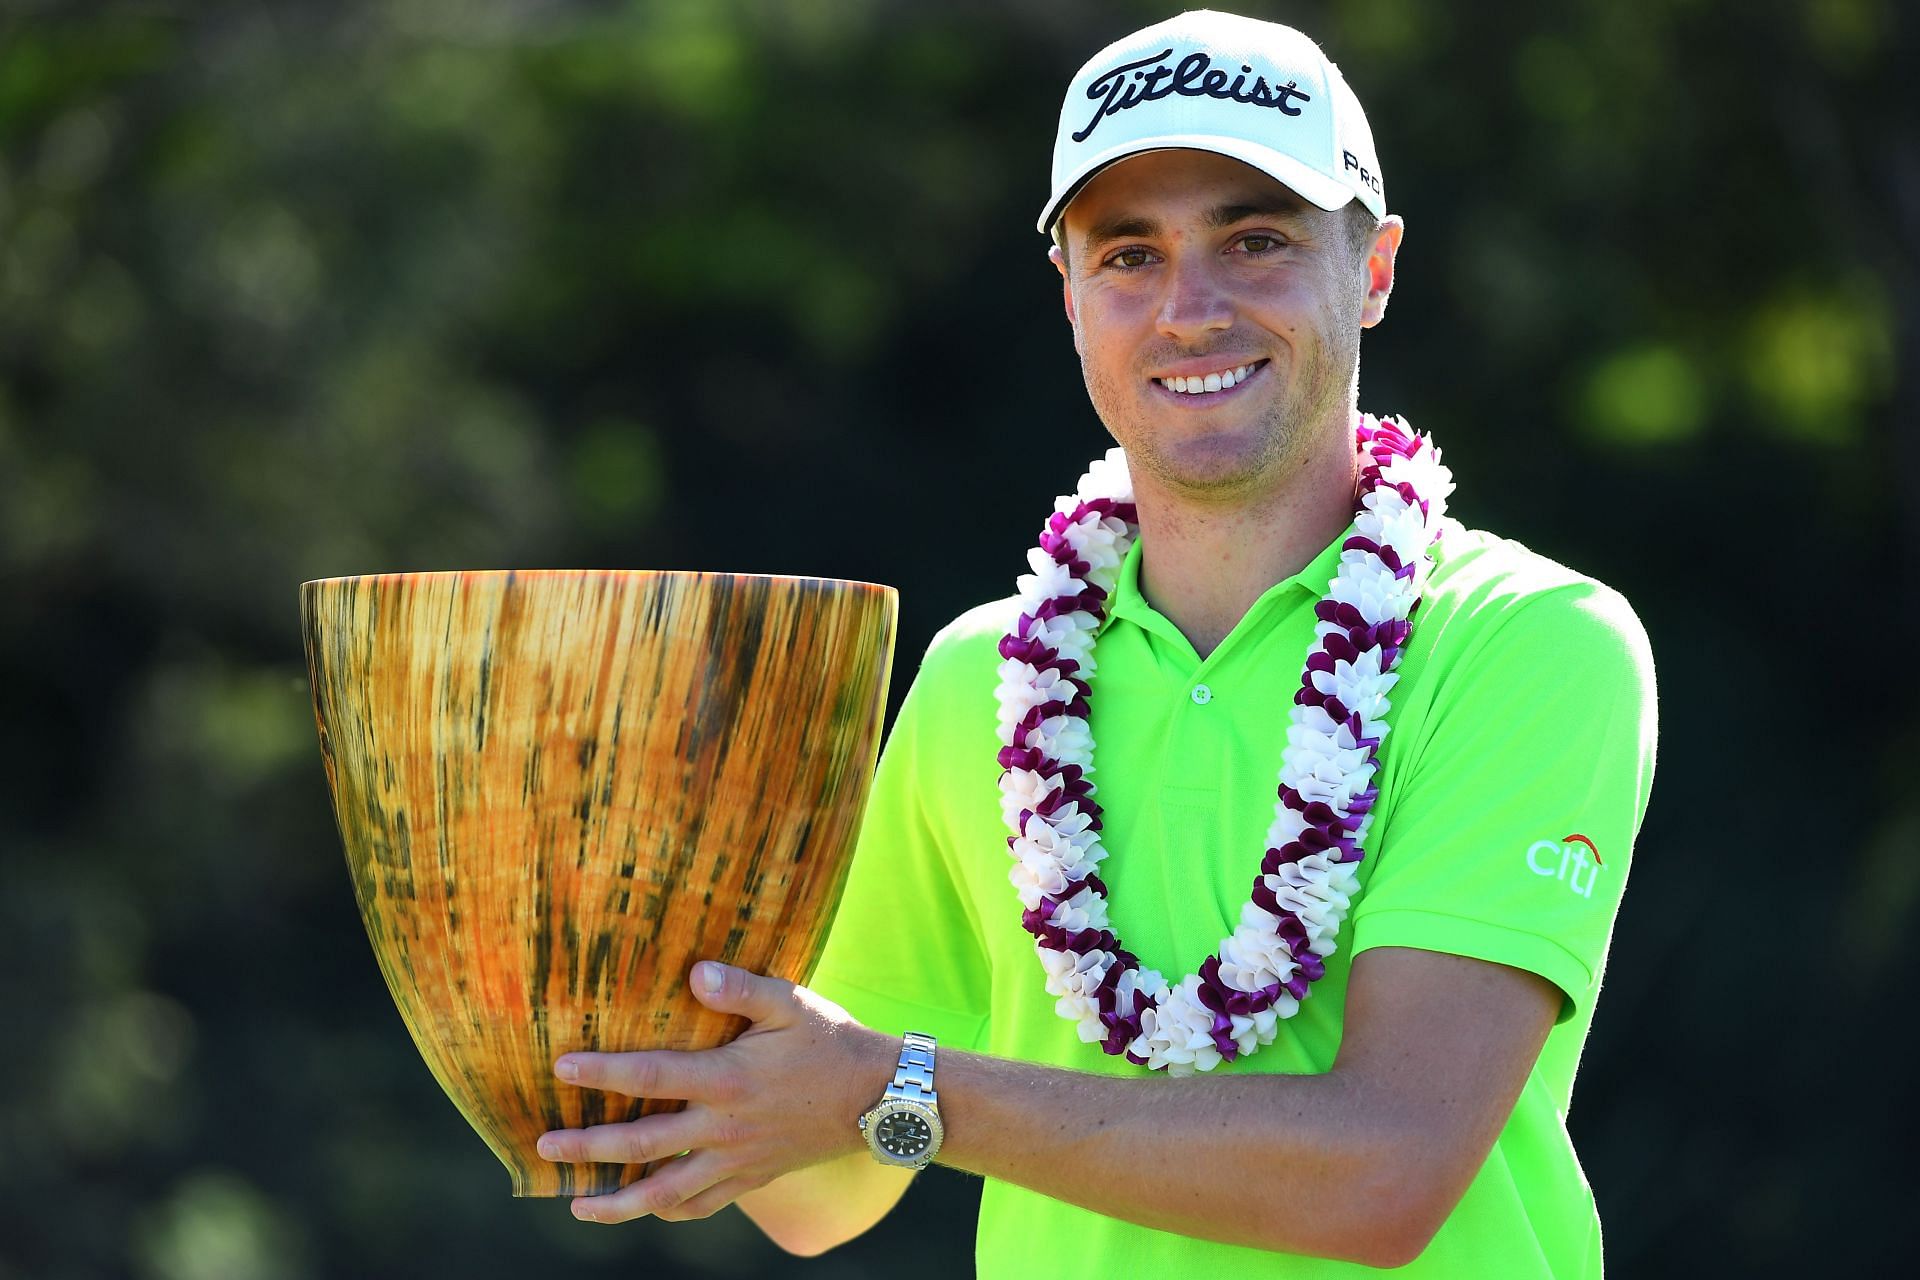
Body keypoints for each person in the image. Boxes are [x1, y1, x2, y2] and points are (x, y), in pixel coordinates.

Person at [536, 10, 1658, 1275]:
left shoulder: (1526, 643)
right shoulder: (985, 679)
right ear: (1069, 292)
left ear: (1376, 267)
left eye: (1256, 239)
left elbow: (1382, 1172)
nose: (1189, 308)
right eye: (1129, 253)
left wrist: (891, 1087)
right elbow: (820, 1191)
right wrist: (639, 959)